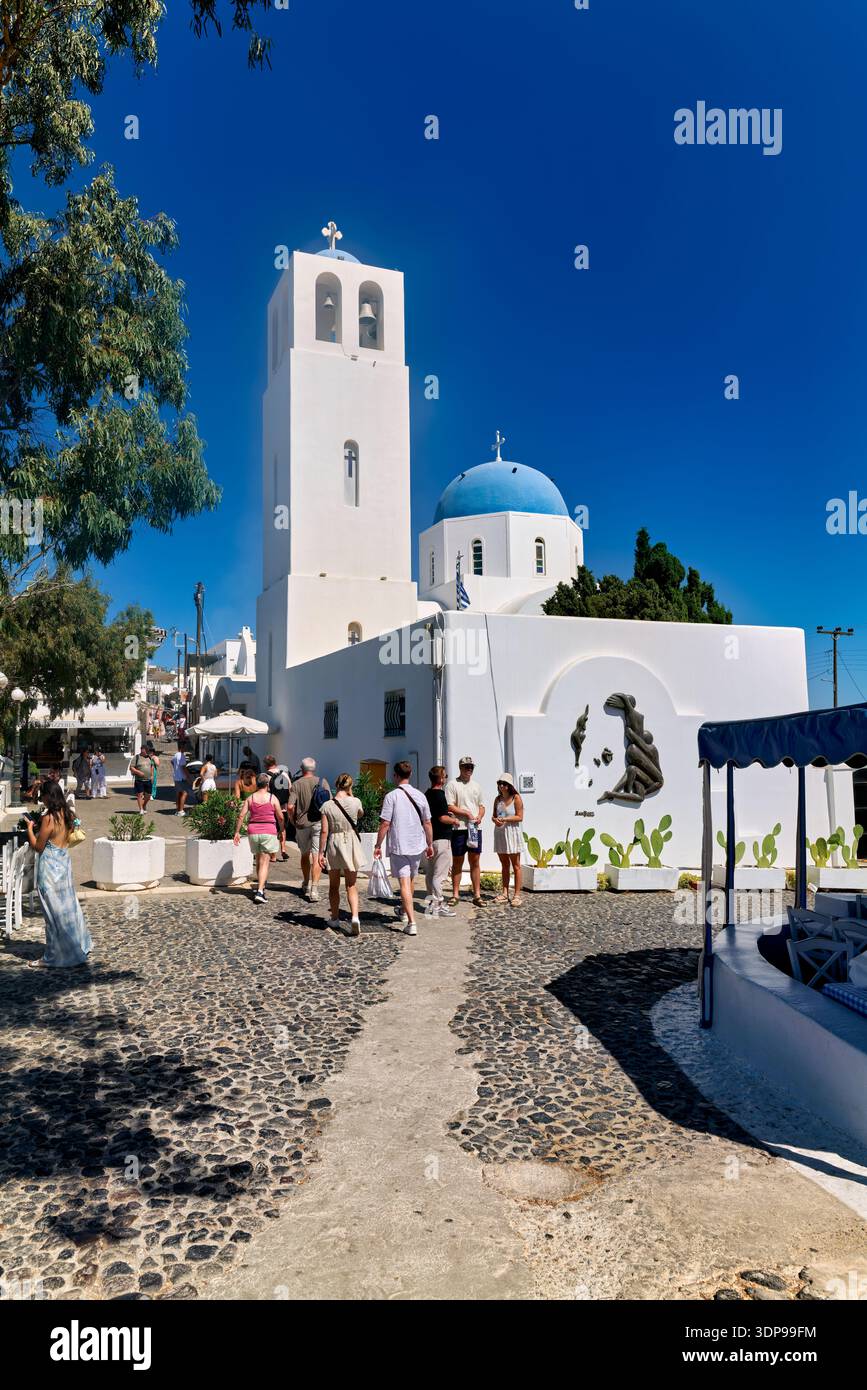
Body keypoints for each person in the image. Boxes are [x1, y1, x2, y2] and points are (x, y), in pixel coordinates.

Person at [24, 781, 92, 969]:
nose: (41, 800)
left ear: (48, 796)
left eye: (42, 796)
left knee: (53, 915)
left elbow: (38, 847)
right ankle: (78, 944)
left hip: (49, 869)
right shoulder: (68, 814)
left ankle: (55, 955)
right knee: (69, 909)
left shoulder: (49, 818)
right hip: (64, 865)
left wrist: (30, 829)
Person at [374, 760, 434, 936]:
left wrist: (378, 845)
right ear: (410, 775)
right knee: (410, 881)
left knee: (404, 883)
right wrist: (430, 844)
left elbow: (385, 823)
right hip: (417, 845)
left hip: (400, 845)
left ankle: (411, 922)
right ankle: (403, 912)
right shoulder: (420, 795)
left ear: (396, 775)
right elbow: (428, 822)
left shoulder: (391, 796)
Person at [318, 773, 365, 935]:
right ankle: (355, 917)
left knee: (334, 885)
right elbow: (360, 815)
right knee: (352, 885)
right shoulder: (356, 801)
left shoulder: (327, 805)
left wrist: (320, 853)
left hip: (334, 843)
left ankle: (335, 917)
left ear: (336, 785)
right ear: (349, 786)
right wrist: (351, 796)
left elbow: (324, 831)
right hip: (351, 841)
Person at [233, 772, 285, 904]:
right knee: (265, 862)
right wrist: (281, 829)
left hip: (253, 831)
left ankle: (259, 887)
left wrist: (237, 832)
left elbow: (241, 816)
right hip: (268, 831)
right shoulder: (272, 798)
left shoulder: (250, 798)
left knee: (258, 858)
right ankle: (260, 891)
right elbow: (280, 817)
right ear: (267, 785)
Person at [288, 757, 330, 902]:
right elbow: (329, 803)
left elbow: (290, 806)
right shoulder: (322, 782)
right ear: (314, 769)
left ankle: (306, 883)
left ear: (302, 768)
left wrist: (292, 820)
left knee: (305, 855)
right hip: (318, 822)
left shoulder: (296, 784)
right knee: (317, 855)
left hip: (302, 824)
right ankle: (314, 890)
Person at [446, 755, 486, 908]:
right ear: (460, 768)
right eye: (466, 767)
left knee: (475, 861)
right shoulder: (452, 785)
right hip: (459, 828)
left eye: (471, 767)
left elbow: (482, 806)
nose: (469, 769)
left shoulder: (476, 786)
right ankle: (455, 894)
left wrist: (479, 816)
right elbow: (450, 806)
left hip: (474, 828)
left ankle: (477, 895)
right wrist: (467, 814)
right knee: (458, 861)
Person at [423, 765, 458, 917]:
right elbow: (442, 817)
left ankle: (432, 903)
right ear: (441, 778)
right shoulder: (440, 795)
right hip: (442, 838)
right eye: (445, 776)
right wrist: (454, 820)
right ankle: (438, 905)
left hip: (430, 838)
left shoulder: (427, 794)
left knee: (430, 874)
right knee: (440, 875)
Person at [492, 773, 525, 906]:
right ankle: (505, 893)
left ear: (510, 786)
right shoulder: (497, 799)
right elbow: (493, 816)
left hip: (512, 833)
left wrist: (505, 819)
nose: (502, 786)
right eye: (500, 783)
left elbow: (520, 817)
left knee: (516, 865)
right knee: (504, 864)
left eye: (505, 784)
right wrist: (496, 820)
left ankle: (516, 895)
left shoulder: (516, 797)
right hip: (500, 833)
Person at [264, 754, 292, 859]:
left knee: (272, 830)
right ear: (275, 763)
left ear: (266, 765)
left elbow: (266, 792)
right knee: (282, 828)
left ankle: (273, 855)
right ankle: (283, 849)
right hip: (284, 806)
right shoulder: (285, 774)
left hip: (271, 807)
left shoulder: (266, 776)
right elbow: (290, 790)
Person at [131, 742, 160, 814]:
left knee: (148, 795)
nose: (143, 752)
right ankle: (141, 809)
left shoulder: (149, 757)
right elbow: (131, 767)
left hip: (148, 779)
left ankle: (144, 805)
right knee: (139, 795)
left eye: (145, 750)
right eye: (142, 750)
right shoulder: (136, 757)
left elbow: (152, 767)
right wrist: (138, 772)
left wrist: (152, 776)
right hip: (139, 780)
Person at [171, 744, 191, 817]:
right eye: (185, 747)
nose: (185, 749)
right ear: (182, 747)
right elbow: (183, 767)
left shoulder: (176, 755)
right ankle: (181, 811)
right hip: (181, 778)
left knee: (178, 794)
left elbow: (172, 761)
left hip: (176, 777)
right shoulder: (182, 755)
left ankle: (178, 810)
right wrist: (188, 776)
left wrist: (176, 769)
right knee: (184, 793)